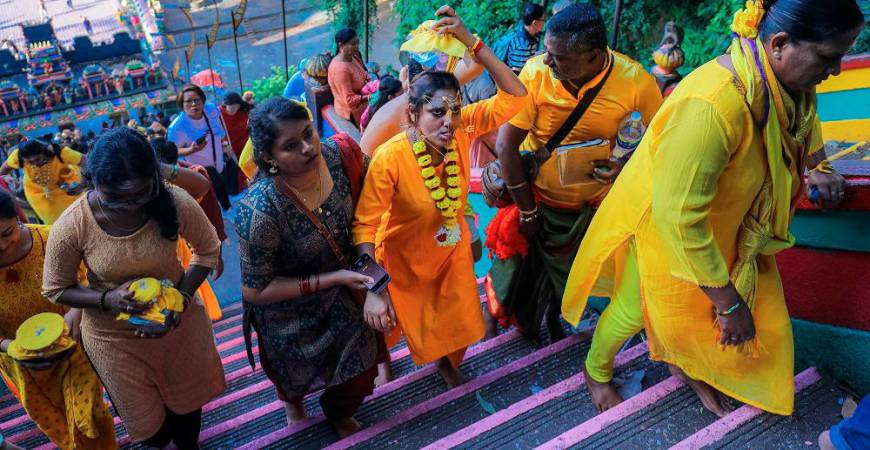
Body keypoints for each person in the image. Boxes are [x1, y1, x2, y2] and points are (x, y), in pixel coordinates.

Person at [561, 0, 862, 417]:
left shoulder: (782, 82)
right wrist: (731, 305)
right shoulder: (712, 106)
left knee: (698, 308)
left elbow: (801, 118)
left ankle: (683, 360)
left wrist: (819, 165)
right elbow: (679, 221)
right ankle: (596, 370)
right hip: (666, 228)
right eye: (829, 57)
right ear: (778, 44)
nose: (836, 70)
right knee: (634, 309)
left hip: (721, 225)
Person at [353, 5, 528, 387]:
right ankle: (385, 362)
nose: (448, 121)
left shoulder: (461, 129)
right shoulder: (390, 157)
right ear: (413, 114)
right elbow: (364, 226)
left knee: (463, 319)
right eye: (436, 113)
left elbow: (516, 97)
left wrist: (472, 42)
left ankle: (448, 363)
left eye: (454, 110)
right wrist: (375, 287)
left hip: (450, 247)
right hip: (403, 257)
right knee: (396, 322)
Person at [486, 3, 663, 341]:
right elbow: (508, 147)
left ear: (594, 55)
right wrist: (527, 211)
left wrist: (623, 164)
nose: (547, 60)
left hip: (593, 211)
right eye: (546, 50)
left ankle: (555, 321)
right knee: (515, 276)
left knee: (571, 283)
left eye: (559, 57)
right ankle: (502, 330)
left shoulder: (635, 82)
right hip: (536, 202)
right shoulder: (536, 74)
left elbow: (659, 139)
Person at [41, 128, 225, 448]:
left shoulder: (174, 200)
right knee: (152, 430)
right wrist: (107, 298)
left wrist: (179, 300)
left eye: (140, 195)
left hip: (177, 326)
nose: (130, 206)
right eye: (115, 198)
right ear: (93, 183)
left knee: (186, 414)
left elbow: (208, 250)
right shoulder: (73, 224)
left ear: (155, 178)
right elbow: (56, 288)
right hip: (114, 339)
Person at [236, 98, 380, 436]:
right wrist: (333, 278)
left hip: (345, 291)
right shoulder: (259, 211)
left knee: (361, 372)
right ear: (269, 158)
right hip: (288, 311)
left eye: (308, 133)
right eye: (291, 145)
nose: (307, 147)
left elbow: (385, 181)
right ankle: (292, 402)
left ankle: (337, 411)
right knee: (293, 377)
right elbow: (255, 290)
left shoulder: (340, 156)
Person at [0, 190, 116, 450]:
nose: (2, 246)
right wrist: (13, 348)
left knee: (92, 414)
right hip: (22, 362)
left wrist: (78, 308)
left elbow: (90, 276)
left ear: (17, 218)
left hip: (72, 345)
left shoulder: (51, 237)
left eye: (7, 234)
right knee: (58, 421)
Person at [168, 84, 234, 210]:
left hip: (220, 164)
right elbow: (173, 152)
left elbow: (220, 130)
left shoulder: (212, 110)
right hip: (201, 173)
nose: (193, 104)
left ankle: (227, 209)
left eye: (196, 100)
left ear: (202, 100)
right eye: (188, 101)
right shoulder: (176, 127)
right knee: (211, 202)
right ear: (182, 104)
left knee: (224, 191)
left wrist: (224, 142)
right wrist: (192, 150)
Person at [0, 139, 85, 224]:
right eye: (30, 162)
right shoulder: (18, 156)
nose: (35, 163)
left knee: (77, 215)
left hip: (65, 188)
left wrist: (83, 184)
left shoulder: (59, 152)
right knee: (53, 221)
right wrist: (4, 179)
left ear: (44, 151)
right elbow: (5, 168)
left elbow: (85, 161)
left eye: (38, 159)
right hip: (36, 193)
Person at [328, 28, 370, 126]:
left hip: (364, 102)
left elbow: (364, 74)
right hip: (352, 112)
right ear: (341, 45)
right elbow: (350, 101)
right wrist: (371, 97)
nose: (357, 47)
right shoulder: (340, 69)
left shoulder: (353, 57)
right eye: (353, 44)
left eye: (357, 43)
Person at [497, 3, 547, 73]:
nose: (545, 22)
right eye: (544, 20)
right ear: (535, 23)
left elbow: (527, 56)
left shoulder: (530, 33)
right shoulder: (522, 45)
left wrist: (543, 53)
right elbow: (517, 73)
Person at [219, 92, 251, 195]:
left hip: (244, 144)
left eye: (236, 107)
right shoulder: (218, 113)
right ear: (224, 105)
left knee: (247, 166)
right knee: (236, 171)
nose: (234, 110)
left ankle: (250, 187)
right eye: (231, 108)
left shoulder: (244, 110)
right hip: (229, 147)